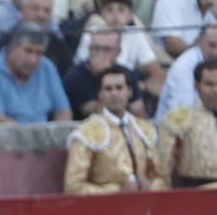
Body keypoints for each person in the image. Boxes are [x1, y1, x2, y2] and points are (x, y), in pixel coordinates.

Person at [63, 65, 161, 194]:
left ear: (130, 91)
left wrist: (150, 187)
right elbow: (72, 187)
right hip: (104, 210)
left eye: (119, 88)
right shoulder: (86, 132)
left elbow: (161, 178)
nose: (114, 93)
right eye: (108, 89)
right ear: (100, 94)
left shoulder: (145, 129)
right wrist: (117, 191)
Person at [0, 26, 71, 123]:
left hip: (46, 134)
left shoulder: (46, 67)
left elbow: (64, 111)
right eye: (28, 51)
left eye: (39, 53)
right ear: (12, 47)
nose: (33, 60)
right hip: (7, 135)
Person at [156, 57, 217, 187]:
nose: (215, 90)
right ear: (196, 86)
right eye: (209, 84)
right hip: (194, 190)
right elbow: (164, 165)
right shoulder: (177, 118)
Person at [63, 28, 143, 119]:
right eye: (96, 48)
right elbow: (97, 115)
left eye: (107, 49)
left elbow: (139, 112)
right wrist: (104, 74)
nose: (100, 54)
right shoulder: (75, 77)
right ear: (89, 49)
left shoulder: (126, 74)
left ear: (118, 52)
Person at [157, 24, 217, 118]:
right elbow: (182, 112)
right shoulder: (184, 67)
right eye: (212, 45)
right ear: (199, 42)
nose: (215, 52)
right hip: (176, 125)